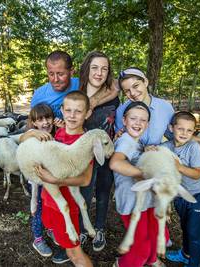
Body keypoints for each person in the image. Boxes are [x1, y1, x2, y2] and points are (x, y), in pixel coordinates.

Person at [34, 91, 94, 266]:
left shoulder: (85, 142)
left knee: (75, 253)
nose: (72, 116)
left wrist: (54, 180)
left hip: (66, 206)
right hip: (49, 200)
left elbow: (85, 180)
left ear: (87, 113)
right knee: (63, 241)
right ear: (61, 110)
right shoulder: (58, 134)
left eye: (78, 111)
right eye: (68, 110)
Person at [109, 101, 166, 267]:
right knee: (141, 243)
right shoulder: (125, 141)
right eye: (133, 118)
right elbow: (115, 163)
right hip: (132, 200)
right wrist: (144, 173)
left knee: (153, 231)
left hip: (145, 198)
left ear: (147, 124)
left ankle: (151, 259)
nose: (138, 123)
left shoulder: (138, 142)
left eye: (143, 120)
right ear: (124, 120)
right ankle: (124, 264)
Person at [114, 67, 200, 162]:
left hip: (156, 159)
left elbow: (171, 134)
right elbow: (121, 142)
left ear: (145, 82)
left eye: (136, 86)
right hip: (131, 162)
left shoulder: (165, 107)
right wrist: (142, 149)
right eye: (127, 91)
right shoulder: (121, 111)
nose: (133, 93)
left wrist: (193, 138)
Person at [77, 51, 120, 251]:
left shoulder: (113, 95)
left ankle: (100, 228)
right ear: (87, 69)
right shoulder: (77, 93)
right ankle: (83, 228)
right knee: (84, 193)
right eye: (95, 67)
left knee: (103, 192)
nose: (99, 72)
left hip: (106, 153)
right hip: (83, 155)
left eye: (104, 68)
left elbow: (120, 121)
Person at [161, 111, 200, 267]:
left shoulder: (193, 147)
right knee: (185, 226)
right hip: (181, 196)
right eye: (180, 129)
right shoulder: (165, 147)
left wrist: (179, 166)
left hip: (199, 195)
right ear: (171, 128)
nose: (184, 133)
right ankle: (185, 254)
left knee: (194, 232)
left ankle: (193, 263)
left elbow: (197, 174)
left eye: (189, 130)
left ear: (193, 132)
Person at [31, 50, 119, 121]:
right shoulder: (39, 94)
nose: (55, 79)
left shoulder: (80, 84)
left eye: (61, 74)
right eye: (51, 74)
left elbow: (114, 84)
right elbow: (31, 122)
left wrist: (92, 101)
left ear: (71, 72)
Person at [22, 104, 56, 257]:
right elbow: (22, 138)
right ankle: (38, 239)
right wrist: (33, 132)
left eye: (48, 118)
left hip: (51, 180)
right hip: (36, 182)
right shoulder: (32, 133)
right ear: (34, 122)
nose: (45, 122)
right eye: (40, 120)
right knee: (39, 209)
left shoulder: (54, 134)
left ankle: (50, 229)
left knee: (51, 207)